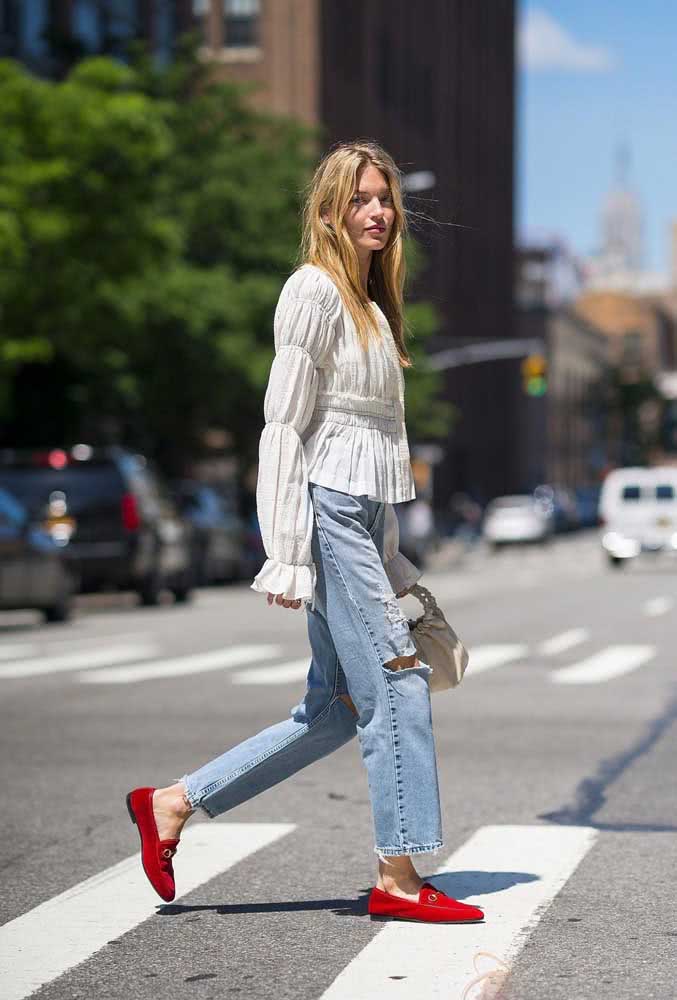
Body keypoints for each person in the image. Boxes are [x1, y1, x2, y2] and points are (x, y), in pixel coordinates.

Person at [126, 140, 484, 925]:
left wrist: (390, 560)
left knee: (334, 709)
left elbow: (374, 455)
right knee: (397, 682)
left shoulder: (373, 305)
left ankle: (175, 803)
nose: (378, 212)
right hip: (325, 513)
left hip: (359, 517)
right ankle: (398, 879)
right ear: (327, 209)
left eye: (384, 198)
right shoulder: (313, 292)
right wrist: (286, 552)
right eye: (360, 199)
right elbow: (283, 428)